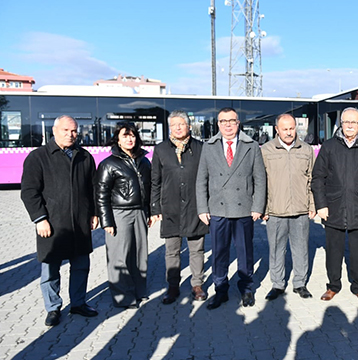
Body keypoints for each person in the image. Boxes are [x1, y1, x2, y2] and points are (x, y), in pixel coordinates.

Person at [21, 115, 99, 327]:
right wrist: (40, 219)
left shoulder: (85, 156)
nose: (70, 134)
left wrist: (94, 213)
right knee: (50, 270)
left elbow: (93, 188)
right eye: (65, 130)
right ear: (54, 131)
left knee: (81, 266)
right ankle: (53, 308)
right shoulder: (38, 157)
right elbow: (29, 192)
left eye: (73, 131)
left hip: (80, 223)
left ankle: (78, 303)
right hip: (52, 224)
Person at [312, 107, 358, 303]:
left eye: (354, 122)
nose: (350, 126)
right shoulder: (329, 146)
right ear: (341, 124)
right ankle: (333, 286)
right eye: (346, 122)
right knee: (333, 251)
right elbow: (318, 178)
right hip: (334, 207)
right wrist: (321, 204)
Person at [196, 107, 266, 309]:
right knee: (219, 253)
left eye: (232, 120)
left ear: (238, 123)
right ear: (218, 124)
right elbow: (201, 179)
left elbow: (260, 179)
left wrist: (257, 206)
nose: (227, 124)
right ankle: (221, 290)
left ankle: (246, 289)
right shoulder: (208, 147)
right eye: (223, 121)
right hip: (217, 210)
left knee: (245, 252)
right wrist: (202, 208)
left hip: (244, 209)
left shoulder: (251, 146)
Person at [150, 110, 209, 304]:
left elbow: (208, 179)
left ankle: (197, 285)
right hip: (171, 208)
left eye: (181, 124)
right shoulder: (161, 149)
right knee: (172, 250)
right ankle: (173, 286)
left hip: (195, 207)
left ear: (189, 126)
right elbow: (155, 181)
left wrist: (206, 206)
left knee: (196, 249)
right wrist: (155, 208)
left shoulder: (200, 148)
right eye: (174, 124)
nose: (177, 127)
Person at [95, 122, 152, 309]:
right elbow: (101, 194)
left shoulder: (144, 161)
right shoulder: (108, 164)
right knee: (120, 256)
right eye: (125, 135)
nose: (129, 139)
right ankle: (123, 298)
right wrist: (106, 221)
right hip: (119, 214)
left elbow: (149, 189)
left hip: (140, 212)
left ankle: (139, 291)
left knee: (139, 255)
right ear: (117, 140)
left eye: (132, 135)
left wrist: (150, 212)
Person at [261, 113, 316, 301]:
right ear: (277, 129)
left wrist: (312, 204)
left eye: (292, 128)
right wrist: (264, 208)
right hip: (275, 210)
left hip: (300, 209)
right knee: (276, 249)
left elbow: (312, 179)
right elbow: (261, 181)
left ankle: (300, 283)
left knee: (301, 248)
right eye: (284, 129)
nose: (289, 132)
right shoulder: (266, 150)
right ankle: (277, 284)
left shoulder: (306, 150)